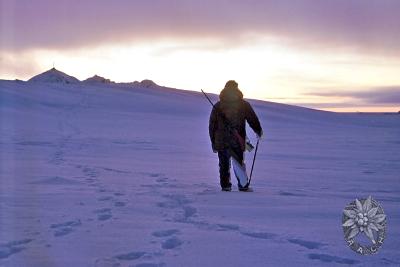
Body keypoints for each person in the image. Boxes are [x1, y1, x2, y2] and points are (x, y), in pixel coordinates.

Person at [209, 80, 263, 192]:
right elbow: (252, 119)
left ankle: (225, 186)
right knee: (238, 163)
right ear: (237, 89)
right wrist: (258, 131)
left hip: (221, 140)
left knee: (223, 164)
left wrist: (213, 142)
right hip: (237, 140)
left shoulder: (218, 106)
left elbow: (212, 126)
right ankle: (243, 186)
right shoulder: (243, 105)